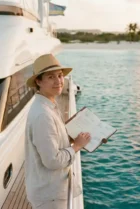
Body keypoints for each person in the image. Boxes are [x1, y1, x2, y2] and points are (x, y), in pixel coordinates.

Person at [25, 54, 91, 209]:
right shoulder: (43, 114)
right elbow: (52, 161)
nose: (59, 81)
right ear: (38, 81)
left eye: (60, 76)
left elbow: (52, 139)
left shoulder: (49, 105)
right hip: (50, 196)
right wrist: (76, 146)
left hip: (50, 191)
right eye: (51, 77)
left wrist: (71, 132)